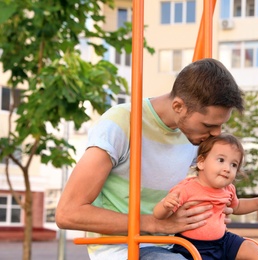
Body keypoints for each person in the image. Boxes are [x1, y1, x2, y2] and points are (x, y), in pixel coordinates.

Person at [55, 58, 246, 259]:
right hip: (122, 247)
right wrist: (155, 223)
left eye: (220, 125)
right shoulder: (121, 124)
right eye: (208, 125)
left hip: (176, 243)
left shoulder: (196, 135)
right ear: (178, 106)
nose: (217, 134)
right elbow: (68, 212)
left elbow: (205, 186)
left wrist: (213, 211)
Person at [153, 133, 258, 260]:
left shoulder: (228, 189)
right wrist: (165, 206)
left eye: (233, 164)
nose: (227, 168)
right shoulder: (186, 188)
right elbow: (158, 215)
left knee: (249, 246)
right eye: (221, 160)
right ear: (201, 162)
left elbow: (238, 206)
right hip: (191, 246)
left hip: (223, 241)